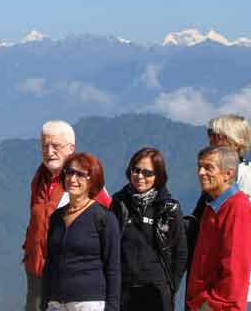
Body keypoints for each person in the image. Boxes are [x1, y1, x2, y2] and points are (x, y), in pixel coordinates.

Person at [23, 121, 112, 311]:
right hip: (36, 269)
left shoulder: (84, 182)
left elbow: (108, 225)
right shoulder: (39, 179)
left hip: (73, 277)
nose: (49, 152)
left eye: (56, 146)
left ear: (71, 148)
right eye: (45, 146)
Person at [206, 115, 251, 304]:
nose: (211, 141)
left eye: (217, 136)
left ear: (235, 143)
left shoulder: (250, 182)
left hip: (232, 290)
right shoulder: (216, 179)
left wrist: (234, 282)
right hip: (209, 281)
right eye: (210, 135)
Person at [111, 147, 187, 311]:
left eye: (147, 173)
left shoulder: (169, 208)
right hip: (124, 290)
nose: (140, 176)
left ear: (158, 176)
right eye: (136, 170)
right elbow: (110, 245)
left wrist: (170, 286)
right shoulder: (119, 203)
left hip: (157, 293)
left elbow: (180, 252)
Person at [42, 152, 120, 311]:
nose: (72, 179)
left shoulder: (104, 218)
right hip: (56, 303)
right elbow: (50, 263)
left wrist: (112, 307)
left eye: (80, 174)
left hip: (88, 302)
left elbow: (113, 267)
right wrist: (45, 301)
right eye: (69, 172)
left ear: (93, 179)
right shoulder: (57, 217)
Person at [186, 146, 251, 311]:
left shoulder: (238, 209)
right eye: (199, 167)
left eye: (208, 168)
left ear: (228, 174)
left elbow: (235, 268)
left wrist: (210, 305)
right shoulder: (212, 207)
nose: (201, 173)